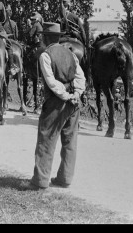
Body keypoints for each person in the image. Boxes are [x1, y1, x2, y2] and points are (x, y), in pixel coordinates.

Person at [29, 22, 86, 189]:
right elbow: (80, 77)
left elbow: (51, 82)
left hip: (56, 102)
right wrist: (76, 94)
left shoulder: (45, 55)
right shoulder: (71, 54)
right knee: (70, 141)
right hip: (74, 103)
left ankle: (40, 181)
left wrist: (66, 96)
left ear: (46, 38)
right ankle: (65, 178)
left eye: (42, 37)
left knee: (46, 139)